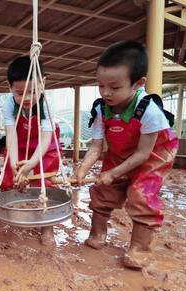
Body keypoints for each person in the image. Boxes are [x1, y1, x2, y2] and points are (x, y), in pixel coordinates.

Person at [74, 41, 179, 270]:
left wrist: (114, 173)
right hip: (120, 152)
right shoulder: (102, 109)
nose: (105, 92)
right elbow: (95, 147)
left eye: (114, 87)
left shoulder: (149, 110)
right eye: (100, 85)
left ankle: (139, 249)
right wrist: (82, 170)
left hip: (152, 155)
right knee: (102, 190)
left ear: (138, 83)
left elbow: (143, 154)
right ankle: (98, 234)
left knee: (140, 195)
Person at [1, 56, 62, 247]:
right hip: (20, 144)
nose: (27, 98)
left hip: (46, 145)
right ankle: (6, 217)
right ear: (9, 87)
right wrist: (15, 166)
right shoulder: (9, 105)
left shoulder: (46, 104)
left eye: (33, 92)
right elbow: (11, 136)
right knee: (10, 178)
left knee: (46, 182)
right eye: (20, 93)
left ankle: (47, 227)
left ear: (43, 83)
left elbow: (45, 139)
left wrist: (31, 165)